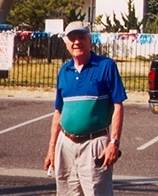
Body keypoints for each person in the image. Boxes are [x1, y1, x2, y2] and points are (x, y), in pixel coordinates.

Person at [44, 22, 127, 195]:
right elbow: (58, 112)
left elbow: (118, 106)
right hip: (65, 144)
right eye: (72, 38)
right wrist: (52, 149)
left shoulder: (106, 66)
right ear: (66, 43)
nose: (77, 42)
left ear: (90, 40)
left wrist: (114, 142)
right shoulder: (64, 71)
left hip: (94, 144)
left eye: (81, 37)